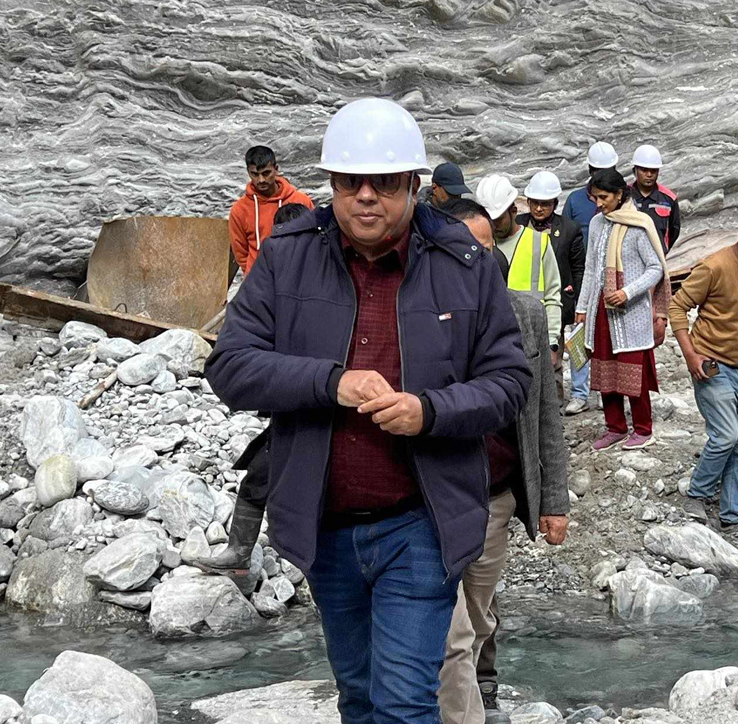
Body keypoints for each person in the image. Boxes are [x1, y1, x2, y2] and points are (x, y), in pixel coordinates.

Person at [205, 98, 532, 724]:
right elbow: (230, 367)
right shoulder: (287, 255)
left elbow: (509, 380)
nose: (364, 197)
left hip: (423, 520)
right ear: (331, 183)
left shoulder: (463, 263)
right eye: (349, 181)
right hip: (325, 522)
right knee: (358, 696)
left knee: (405, 703)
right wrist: (330, 383)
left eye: (382, 182)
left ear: (411, 184)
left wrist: (428, 411)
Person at [437, 198, 570, 724]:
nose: (481, 259)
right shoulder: (421, 314)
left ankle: (481, 690)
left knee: (477, 616)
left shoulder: (525, 313)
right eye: (468, 248)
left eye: (489, 247)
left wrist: (554, 501)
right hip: (431, 496)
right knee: (450, 629)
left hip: (495, 494)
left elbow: (545, 415)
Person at [192, 200, 315, 575]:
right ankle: (240, 554)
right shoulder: (273, 285)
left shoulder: (324, 287)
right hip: (294, 409)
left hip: (322, 409)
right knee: (260, 476)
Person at [670, 212, 738, 551]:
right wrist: (691, 356)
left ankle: (732, 517)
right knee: (725, 436)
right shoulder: (714, 267)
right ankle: (697, 496)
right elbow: (677, 308)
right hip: (712, 365)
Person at [574, 167, 669, 452]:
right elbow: (591, 269)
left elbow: (655, 268)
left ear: (619, 194)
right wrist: (582, 307)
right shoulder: (596, 224)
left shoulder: (639, 225)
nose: (599, 203)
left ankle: (643, 428)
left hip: (631, 313)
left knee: (632, 370)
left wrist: (628, 292)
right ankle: (615, 427)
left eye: (603, 197)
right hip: (601, 310)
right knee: (604, 368)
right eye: (595, 198)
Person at [516, 171, 585, 402]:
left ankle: (555, 405)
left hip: (556, 303)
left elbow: (578, 268)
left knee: (554, 358)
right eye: (535, 203)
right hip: (523, 302)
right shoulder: (517, 225)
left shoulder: (569, 230)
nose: (538, 209)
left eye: (544, 204)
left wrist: (578, 302)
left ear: (554, 204)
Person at [562, 141, 619, 415]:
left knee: (611, 334)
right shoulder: (575, 201)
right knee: (579, 333)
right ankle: (580, 393)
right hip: (582, 274)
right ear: (589, 170)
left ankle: (610, 390)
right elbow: (563, 236)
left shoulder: (621, 201)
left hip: (612, 276)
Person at [476, 175, 563, 350]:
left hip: (533, 338)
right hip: (492, 340)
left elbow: (552, 296)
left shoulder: (539, 242)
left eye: (498, 219)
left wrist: (552, 341)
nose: (493, 225)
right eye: (488, 220)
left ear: (513, 211)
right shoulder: (479, 245)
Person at [227, 145, 314, 275]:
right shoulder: (239, 210)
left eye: (266, 173)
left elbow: (312, 241)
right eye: (255, 174)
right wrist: (254, 273)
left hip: (295, 276)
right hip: (258, 279)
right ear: (248, 173)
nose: (261, 180)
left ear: (276, 169)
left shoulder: (301, 201)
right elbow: (240, 252)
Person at [629, 144, 682, 252]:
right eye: (644, 170)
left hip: (657, 256)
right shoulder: (624, 195)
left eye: (653, 170)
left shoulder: (669, 198)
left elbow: (674, 230)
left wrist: (663, 250)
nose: (649, 174)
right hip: (630, 256)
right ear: (634, 170)